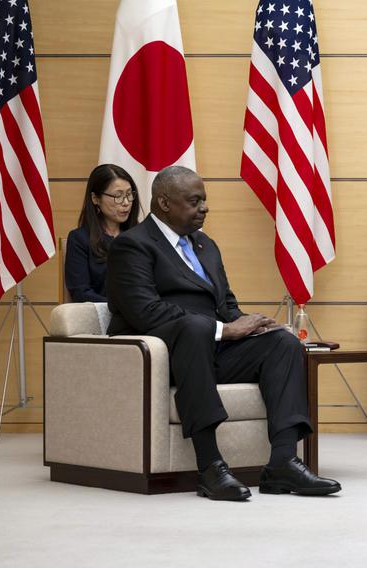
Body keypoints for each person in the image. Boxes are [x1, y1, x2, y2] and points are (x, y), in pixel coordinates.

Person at [105, 166, 340, 501]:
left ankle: (283, 462)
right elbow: (145, 312)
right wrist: (224, 329)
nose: (204, 208)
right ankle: (211, 467)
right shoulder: (133, 246)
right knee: (195, 328)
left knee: (283, 343)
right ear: (165, 203)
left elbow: (225, 303)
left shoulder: (205, 244)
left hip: (212, 347)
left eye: (204, 201)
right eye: (194, 201)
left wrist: (250, 324)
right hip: (164, 355)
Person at [64, 164, 140, 302]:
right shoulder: (80, 239)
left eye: (129, 194)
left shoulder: (141, 235)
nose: (126, 202)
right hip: (103, 316)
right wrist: (122, 308)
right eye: (118, 196)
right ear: (95, 198)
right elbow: (81, 292)